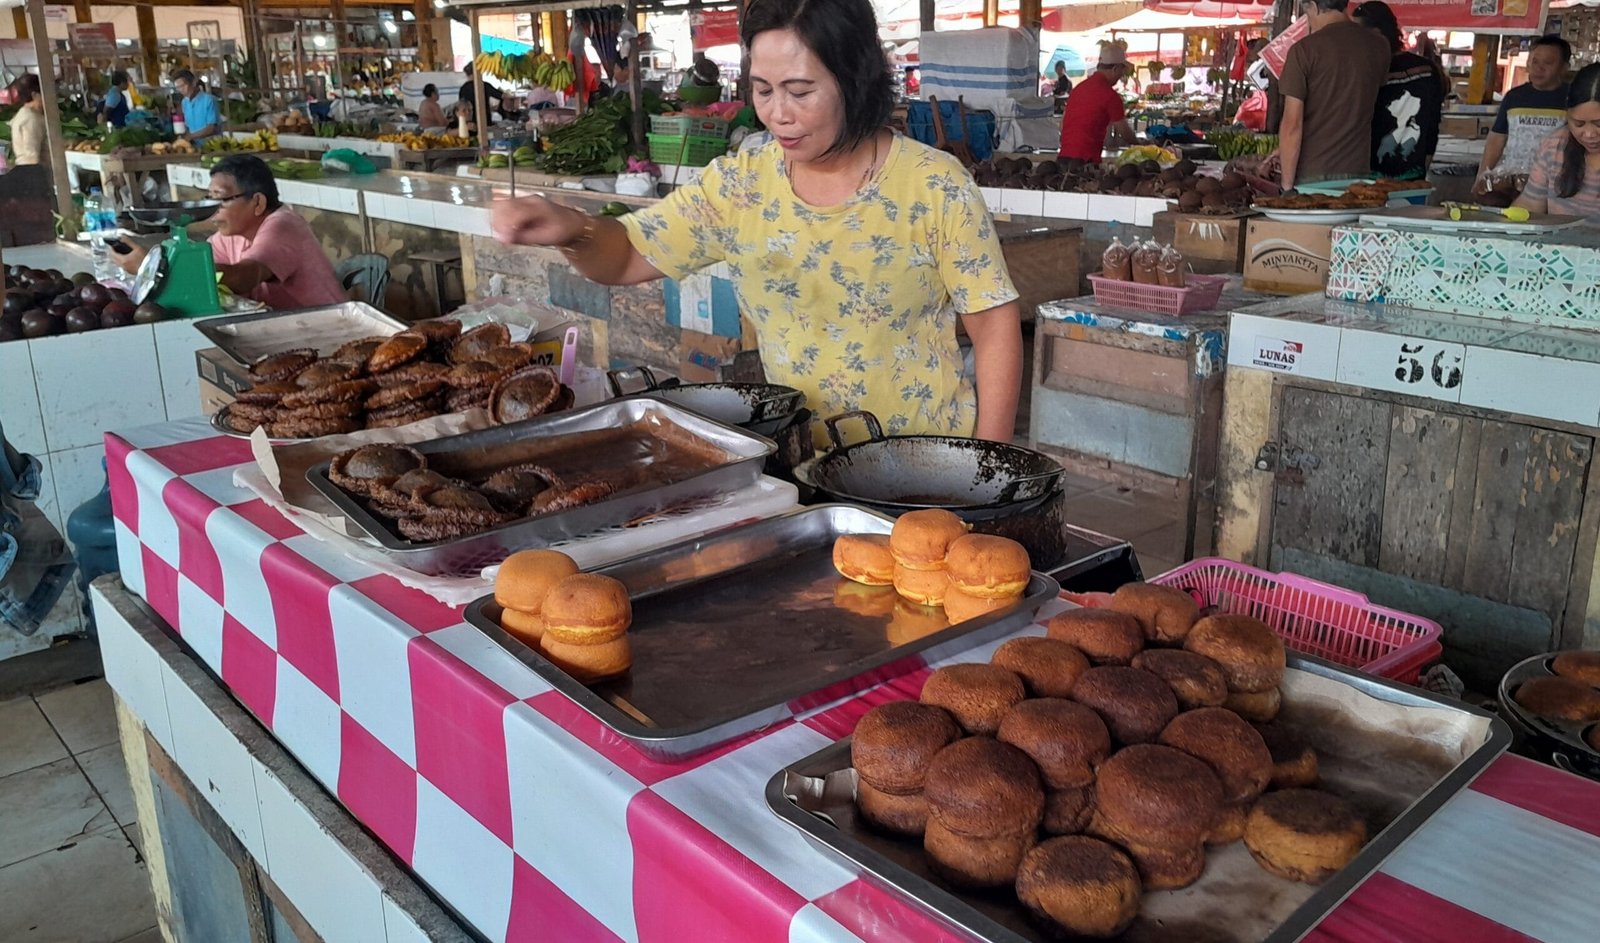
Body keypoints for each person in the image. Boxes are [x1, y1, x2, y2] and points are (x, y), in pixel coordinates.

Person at [491, 0, 1022, 442]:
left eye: (800, 91)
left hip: (924, 471)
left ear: (855, 79)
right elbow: (629, 252)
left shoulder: (934, 186)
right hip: (799, 462)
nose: (778, 114)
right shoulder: (743, 182)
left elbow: (994, 327)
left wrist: (986, 472)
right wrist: (573, 229)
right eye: (763, 89)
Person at [112, 155, 346, 309]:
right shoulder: (229, 235)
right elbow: (205, 270)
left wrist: (153, 268)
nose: (213, 210)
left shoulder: (283, 226)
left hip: (327, 329)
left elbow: (244, 278)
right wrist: (154, 255)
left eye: (221, 199)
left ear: (258, 203)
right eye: (209, 198)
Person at [1277, 0, 1390, 189]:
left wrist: (1286, 189)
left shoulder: (1303, 51)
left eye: (1307, 14)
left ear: (1313, 6)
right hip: (1358, 175)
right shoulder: (1379, 46)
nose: (1309, 21)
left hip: (1312, 175)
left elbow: (1292, 126)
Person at [1352, 2, 1444, 179]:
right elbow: (1433, 123)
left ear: (1377, 35)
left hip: (1370, 178)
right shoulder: (1427, 69)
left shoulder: (1369, 70)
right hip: (1412, 174)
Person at [1477, 35, 1572, 195]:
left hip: (1555, 187)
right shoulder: (1514, 97)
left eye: (1548, 63)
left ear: (1564, 67)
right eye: (1534, 62)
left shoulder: (1573, 99)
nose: (1539, 68)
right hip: (1513, 185)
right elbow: (1497, 139)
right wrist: (1482, 177)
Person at [1514, 64, 1600, 219]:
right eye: (1578, 123)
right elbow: (1531, 205)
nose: (1589, 134)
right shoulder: (1555, 146)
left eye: (1598, 124)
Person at [1058, 42, 1134, 165]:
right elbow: (1124, 132)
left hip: (1063, 157)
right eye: (1122, 71)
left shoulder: (1079, 89)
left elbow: (1062, 124)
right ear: (1115, 69)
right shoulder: (1110, 96)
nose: (1121, 76)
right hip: (1086, 160)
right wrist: (1140, 144)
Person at [172, 69, 221, 145]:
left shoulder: (209, 100)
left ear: (193, 83)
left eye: (182, 86)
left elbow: (211, 128)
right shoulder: (184, 102)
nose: (180, 90)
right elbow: (188, 126)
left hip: (212, 145)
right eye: (178, 87)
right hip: (194, 147)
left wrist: (190, 136)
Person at [7, 83, 45, 167]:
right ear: (35, 95)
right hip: (33, 171)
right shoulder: (30, 118)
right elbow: (32, 156)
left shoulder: (25, 114)